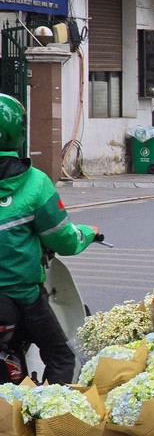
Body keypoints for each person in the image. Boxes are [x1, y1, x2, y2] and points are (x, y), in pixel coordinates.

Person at [0, 94, 98, 384]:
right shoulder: (35, 183)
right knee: (62, 357)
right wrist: (88, 233)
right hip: (20, 295)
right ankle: (49, 411)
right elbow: (64, 241)